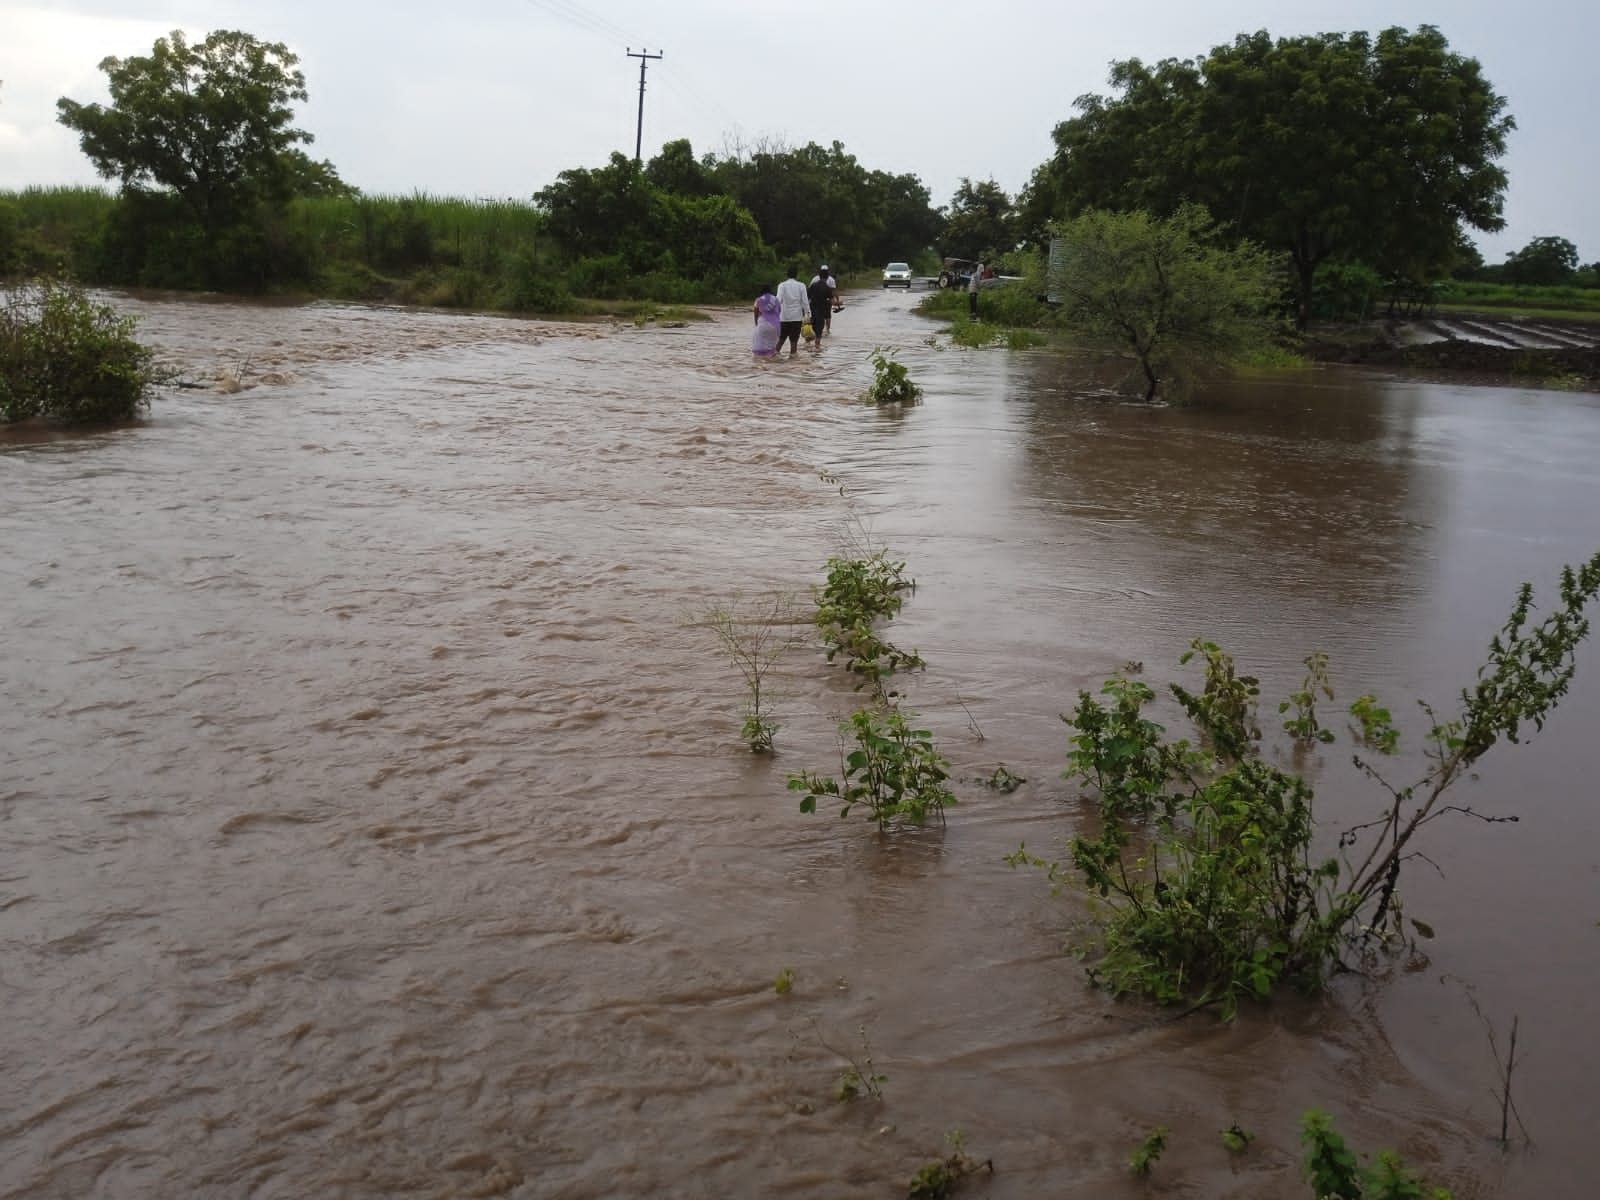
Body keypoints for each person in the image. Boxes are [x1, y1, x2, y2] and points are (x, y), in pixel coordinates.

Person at [775, 264, 810, 358]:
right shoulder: (801, 285)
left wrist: (774, 314)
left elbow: (778, 300)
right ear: (797, 275)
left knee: (781, 340)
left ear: (787, 274)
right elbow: (805, 302)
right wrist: (809, 315)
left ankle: (772, 359)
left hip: (784, 318)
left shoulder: (782, 285)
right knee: (794, 342)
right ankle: (793, 362)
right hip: (797, 318)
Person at [806, 268, 835, 349]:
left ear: (819, 276)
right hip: (821, 314)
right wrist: (839, 303)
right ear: (827, 277)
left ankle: (807, 348)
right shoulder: (827, 288)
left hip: (812, 313)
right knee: (818, 335)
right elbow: (833, 302)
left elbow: (807, 298)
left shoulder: (813, 285)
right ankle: (817, 352)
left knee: (809, 334)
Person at [751, 284, 781, 357]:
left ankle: (762, 366)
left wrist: (756, 324)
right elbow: (779, 311)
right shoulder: (776, 299)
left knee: (760, 346)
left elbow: (756, 313)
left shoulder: (759, 300)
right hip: (775, 326)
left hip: (763, 324)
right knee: (771, 348)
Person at [809, 264, 839, 335]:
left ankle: (814, 333)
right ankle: (827, 330)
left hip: (815, 302)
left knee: (815, 316)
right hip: (826, 301)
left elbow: (809, 290)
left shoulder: (815, 279)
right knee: (827, 316)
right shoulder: (831, 279)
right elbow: (833, 291)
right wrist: (837, 301)